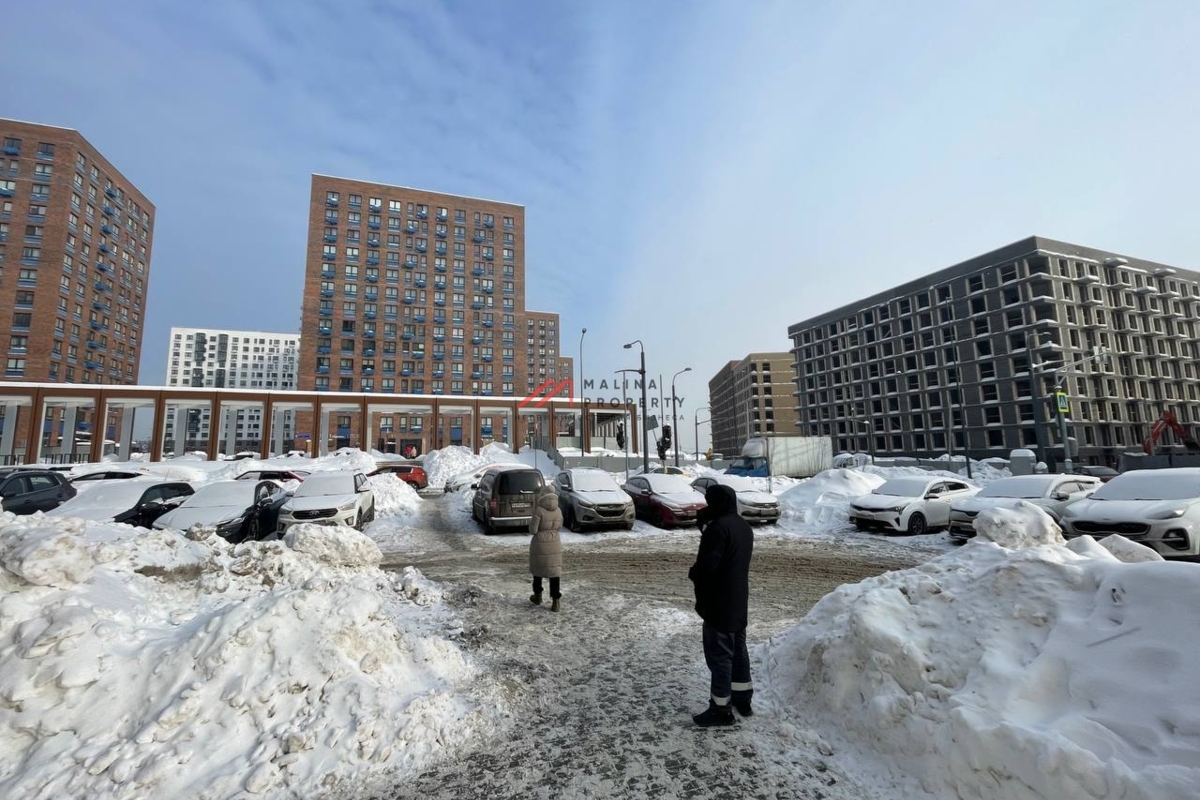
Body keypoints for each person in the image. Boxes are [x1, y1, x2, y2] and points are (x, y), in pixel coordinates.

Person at [688, 484, 754, 727]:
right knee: (738, 650)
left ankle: (720, 709)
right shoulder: (743, 526)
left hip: (719, 602)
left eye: (709, 502)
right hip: (738, 599)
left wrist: (694, 573)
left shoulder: (718, 529)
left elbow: (709, 567)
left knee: (720, 657)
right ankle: (742, 698)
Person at [529, 485, 564, 612]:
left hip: (540, 544)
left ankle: (537, 596)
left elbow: (533, 530)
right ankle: (556, 602)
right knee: (554, 573)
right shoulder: (558, 510)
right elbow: (560, 526)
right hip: (555, 542)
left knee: (537, 572)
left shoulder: (539, 510)